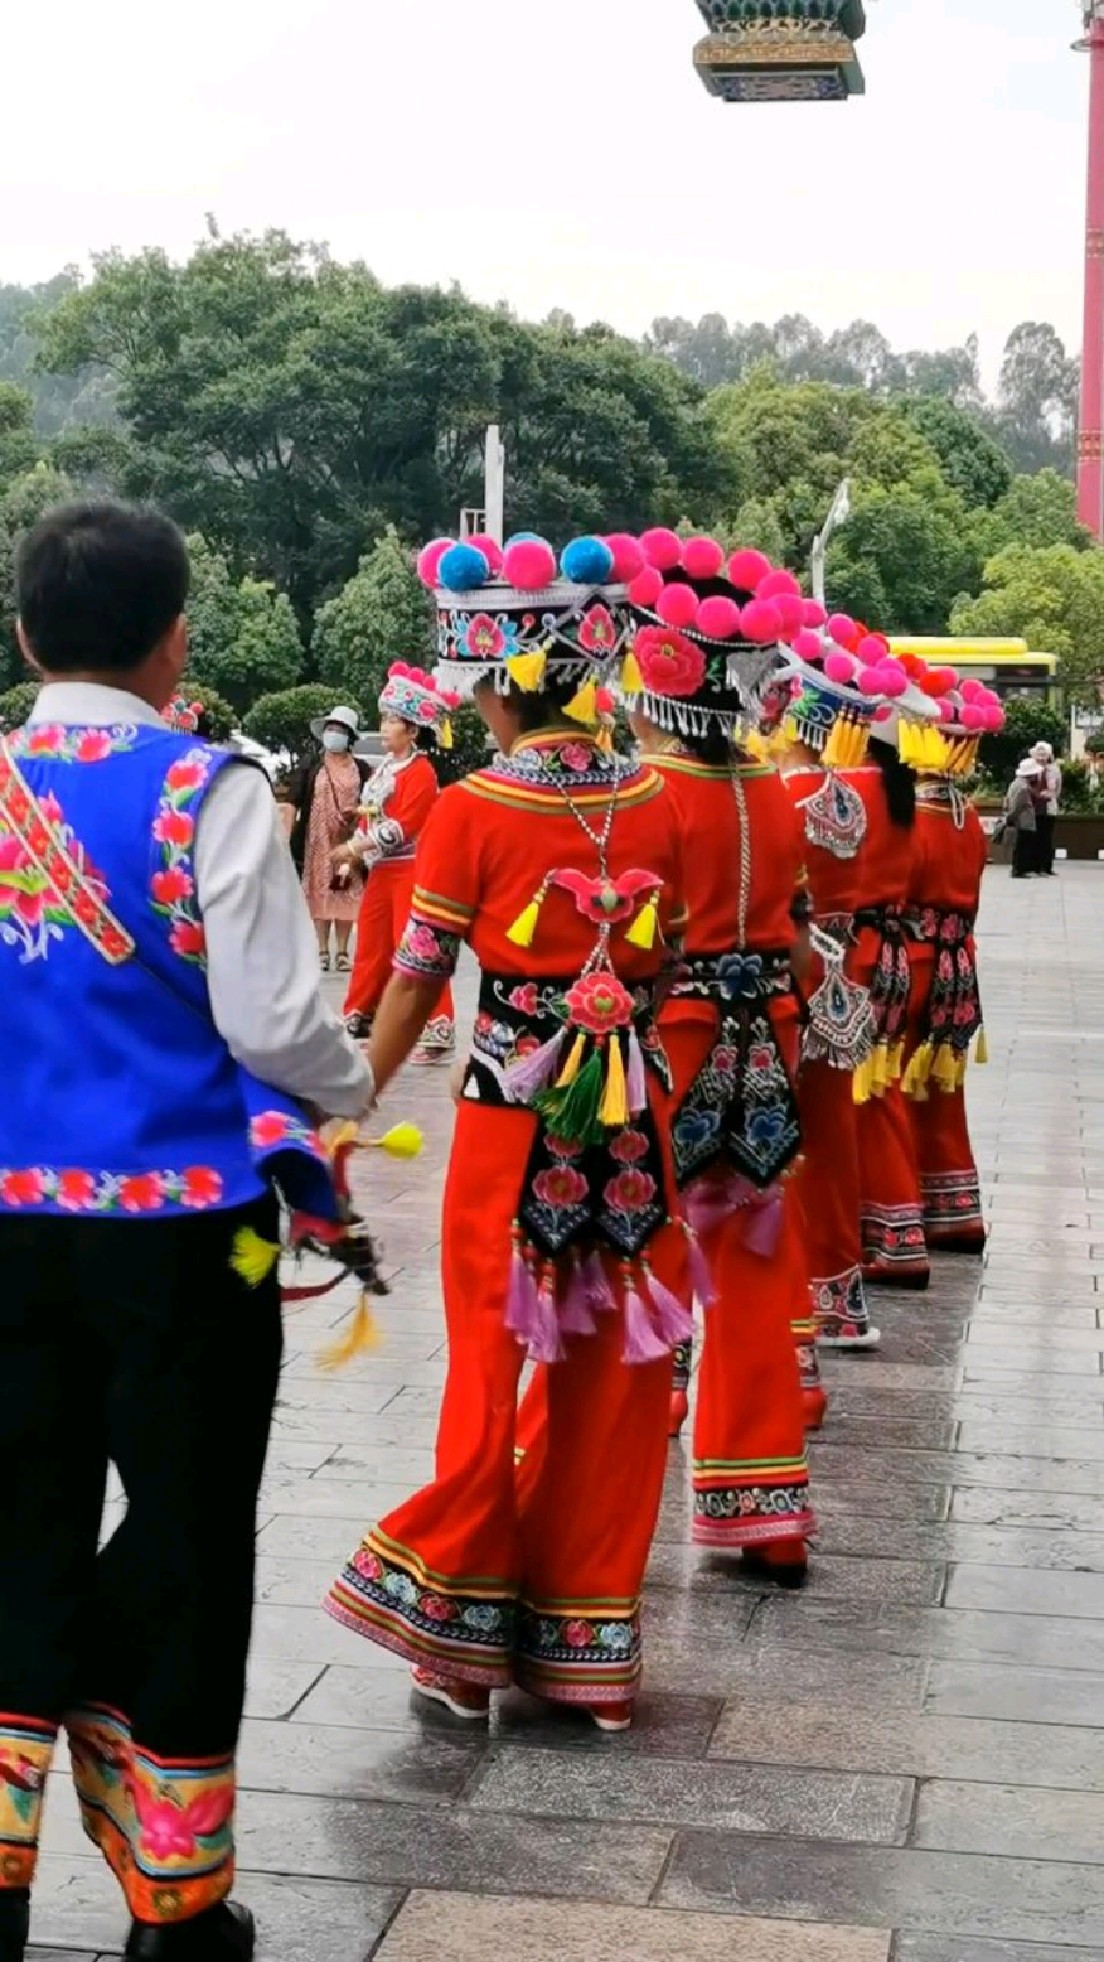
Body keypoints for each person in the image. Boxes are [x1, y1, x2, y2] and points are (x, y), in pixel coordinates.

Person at [0, 501, 373, 1962]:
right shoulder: (206, 789)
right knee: (195, 1529)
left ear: (27, 635)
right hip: (180, 1244)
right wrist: (351, 1082)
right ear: (174, 643)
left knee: (8, 1530)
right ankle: (176, 1898)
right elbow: (278, 1023)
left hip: (6, 1231)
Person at [326, 530, 690, 1732]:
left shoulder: (476, 808)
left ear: (497, 682)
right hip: (632, 1120)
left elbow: (418, 980)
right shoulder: (655, 796)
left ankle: (461, 1640)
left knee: (491, 1369)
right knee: (618, 1370)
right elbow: (667, 956)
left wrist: (355, 1101)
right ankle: (591, 1648)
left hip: (508, 1118)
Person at [622, 537, 816, 1585]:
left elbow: (636, 944)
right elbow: (789, 927)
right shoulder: (772, 793)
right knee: (749, 1269)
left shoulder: (650, 794)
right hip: (766, 1036)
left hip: (673, 1039)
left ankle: (619, 1476)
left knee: (643, 1257)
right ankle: (765, 1508)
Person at [768, 615, 890, 1353]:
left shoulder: (783, 798)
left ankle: (794, 1305)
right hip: (841, 977)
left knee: (783, 1148)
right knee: (833, 1141)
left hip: (794, 976)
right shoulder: (846, 795)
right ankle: (840, 1300)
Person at [902, 676, 1002, 1254]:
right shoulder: (968, 816)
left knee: (900, 1083)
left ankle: (909, 1200)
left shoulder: (914, 815)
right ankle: (955, 1207)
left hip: (913, 960)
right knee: (944, 1086)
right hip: (958, 963)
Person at [335, 664, 457, 1062]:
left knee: (414, 947)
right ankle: (362, 1015)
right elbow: (376, 816)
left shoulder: (421, 772)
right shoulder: (385, 769)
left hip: (409, 870)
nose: (384, 727)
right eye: (384, 719)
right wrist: (357, 843)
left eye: (392, 721)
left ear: (412, 730)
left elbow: (407, 825)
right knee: (371, 944)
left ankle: (438, 1027)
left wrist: (355, 848)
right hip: (382, 870)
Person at [281, 705, 369, 971]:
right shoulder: (312, 766)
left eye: (339, 730)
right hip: (316, 843)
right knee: (319, 892)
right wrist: (285, 836)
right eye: (330, 728)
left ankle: (342, 951)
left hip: (347, 842)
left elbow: (372, 804)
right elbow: (292, 801)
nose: (333, 734)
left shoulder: (362, 770)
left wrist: (358, 815)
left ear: (350, 736)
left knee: (342, 890)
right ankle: (321, 949)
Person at [1031, 740, 1061, 875]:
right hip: (1034, 807)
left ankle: (1047, 867)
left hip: (1049, 807)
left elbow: (1058, 789)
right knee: (1035, 837)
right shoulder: (1030, 768)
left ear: (1049, 755)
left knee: (1047, 838)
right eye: (1039, 753)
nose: (1041, 756)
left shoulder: (1055, 770)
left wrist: (1050, 795)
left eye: (1044, 754)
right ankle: (1035, 867)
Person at [1006, 759, 1040, 878]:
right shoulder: (1023, 788)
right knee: (1022, 846)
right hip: (1023, 821)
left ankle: (1019, 869)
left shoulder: (1015, 783)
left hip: (1020, 820)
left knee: (1020, 846)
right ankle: (1019, 870)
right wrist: (1012, 817)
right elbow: (1018, 805)